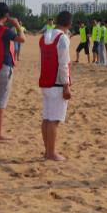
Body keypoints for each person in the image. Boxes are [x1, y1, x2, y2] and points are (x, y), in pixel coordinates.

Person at [0, 2, 25, 140]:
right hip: (3, 67)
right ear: (6, 15)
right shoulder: (6, 31)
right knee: (0, 102)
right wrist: (17, 25)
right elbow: (22, 39)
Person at [39, 10, 73, 161]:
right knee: (54, 120)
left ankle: (48, 151)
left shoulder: (45, 36)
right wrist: (66, 85)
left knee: (47, 118)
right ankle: (51, 153)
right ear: (69, 23)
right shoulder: (62, 38)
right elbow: (63, 64)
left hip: (46, 80)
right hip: (57, 82)